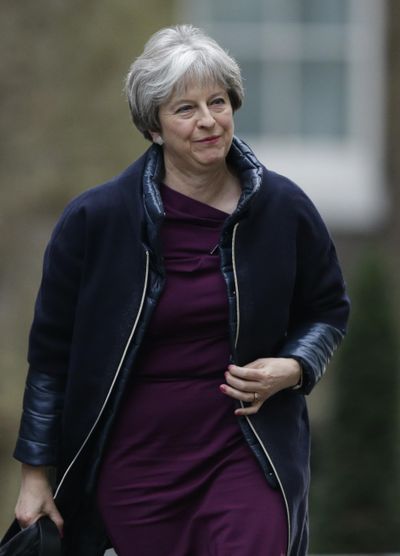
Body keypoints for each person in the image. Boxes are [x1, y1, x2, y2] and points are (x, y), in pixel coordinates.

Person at [12, 24, 350, 556]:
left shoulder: (284, 209)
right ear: (153, 127)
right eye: (185, 109)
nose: (209, 121)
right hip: (139, 461)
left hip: (248, 447)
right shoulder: (94, 221)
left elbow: (328, 310)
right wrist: (35, 475)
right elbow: (51, 359)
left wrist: (295, 367)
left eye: (218, 101)